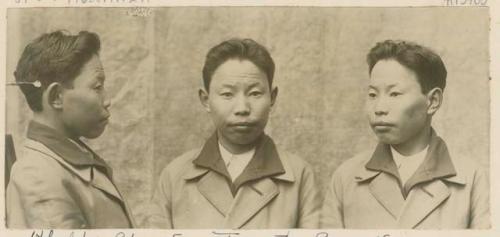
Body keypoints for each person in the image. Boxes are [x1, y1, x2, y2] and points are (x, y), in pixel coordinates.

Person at [147, 38, 320, 229]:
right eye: (227, 94)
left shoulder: (299, 175)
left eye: (254, 93)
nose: (242, 108)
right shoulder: (175, 176)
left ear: (272, 97)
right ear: (206, 100)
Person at [321, 40, 490, 229]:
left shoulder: (471, 178)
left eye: (394, 94)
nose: (379, 108)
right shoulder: (346, 178)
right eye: (372, 94)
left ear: (432, 101)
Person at [6, 30, 135, 228]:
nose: (107, 100)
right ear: (56, 97)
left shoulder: (64, 161)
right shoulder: (38, 176)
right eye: (97, 86)